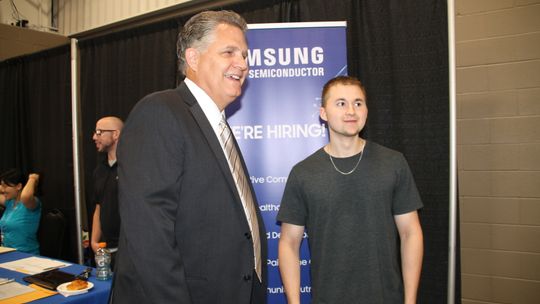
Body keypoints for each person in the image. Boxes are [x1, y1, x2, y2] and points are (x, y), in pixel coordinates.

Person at [112, 10, 267, 304]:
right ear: (193, 58)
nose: (243, 64)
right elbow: (150, 236)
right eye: (229, 52)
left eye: (245, 55)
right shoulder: (159, 112)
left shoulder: (218, 126)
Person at [277, 76, 424, 304]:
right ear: (323, 113)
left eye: (358, 103)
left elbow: (410, 233)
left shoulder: (393, 163)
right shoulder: (303, 173)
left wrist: (411, 299)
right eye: (341, 103)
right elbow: (288, 242)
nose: (351, 111)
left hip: (387, 297)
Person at [91, 116, 123, 266]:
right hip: (106, 251)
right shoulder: (99, 171)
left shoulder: (131, 168)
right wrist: (93, 241)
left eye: (99, 132)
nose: (94, 137)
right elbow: (99, 207)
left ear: (115, 134)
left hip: (128, 251)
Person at [0, 169, 41, 254]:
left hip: (26, 255)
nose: (2, 190)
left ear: (18, 186)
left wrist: (32, 179)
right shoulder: (9, 202)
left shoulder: (30, 203)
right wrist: (4, 185)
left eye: (5, 186)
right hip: (8, 253)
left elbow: (25, 196)